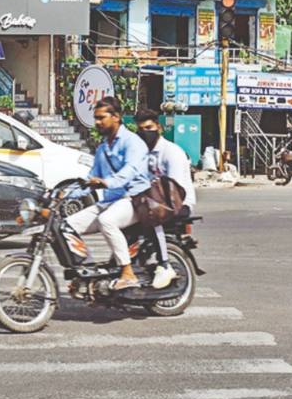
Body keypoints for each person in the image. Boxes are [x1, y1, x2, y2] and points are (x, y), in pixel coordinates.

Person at [66, 97, 151, 291]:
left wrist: (106, 182)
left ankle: (128, 273)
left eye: (101, 118)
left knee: (107, 221)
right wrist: (63, 194)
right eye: (95, 118)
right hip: (112, 202)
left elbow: (129, 172)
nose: (97, 122)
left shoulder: (132, 142)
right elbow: (90, 179)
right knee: (67, 225)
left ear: (116, 117)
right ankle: (87, 272)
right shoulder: (103, 148)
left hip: (135, 199)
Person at [136, 108, 197, 289]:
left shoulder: (172, 152)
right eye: (140, 130)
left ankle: (164, 264)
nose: (145, 133)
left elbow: (174, 190)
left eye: (148, 128)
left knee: (153, 216)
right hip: (155, 200)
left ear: (159, 128)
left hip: (179, 203)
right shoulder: (143, 153)